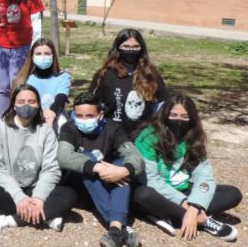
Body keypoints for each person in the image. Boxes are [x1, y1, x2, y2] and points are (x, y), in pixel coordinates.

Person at [133, 95, 241, 241]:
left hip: (183, 189)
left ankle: (170, 215)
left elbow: (204, 176)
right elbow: (151, 179)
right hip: (157, 191)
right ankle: (204, 221)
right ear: (165, 115)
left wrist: (194, 205)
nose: (178, 120)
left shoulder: (194, 137)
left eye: (184, 116)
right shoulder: (148, 137)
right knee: (142, 195)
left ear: (192, 118)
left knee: (232, 194)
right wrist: (184, 202)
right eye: (174, 115)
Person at [0, 84, 77, 232]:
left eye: (32, 101)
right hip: (9, 189)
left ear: (38, 105)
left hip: (35, 188)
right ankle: (45, 216)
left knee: (69, 195)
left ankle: (9, 220)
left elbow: (51, 168)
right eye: (21, 101)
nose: (26, 105)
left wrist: (38, 198)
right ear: (13, 105)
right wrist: (19, 196)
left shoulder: (46, 131)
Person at [57, 92, 144, 247]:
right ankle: (123, 227)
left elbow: (135, 156)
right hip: (79, 185)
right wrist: (96, 166)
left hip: (108, 183)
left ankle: (115, 229)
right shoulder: (69, 128)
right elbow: (63, 156)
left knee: (121, 163)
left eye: (89, 116)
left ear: (100, 115)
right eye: (79, 116)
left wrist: (124, 171)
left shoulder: (113, 128)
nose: (83, 120)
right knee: (88, 160)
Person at [89, 28, 167, 138]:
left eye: (135, 46)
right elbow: (92, 104)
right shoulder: (105, 75)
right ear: (118, 48)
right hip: (112, 136)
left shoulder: (152, 75)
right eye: (126, 46)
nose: (131, 50)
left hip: (143, 137)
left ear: (141, 49)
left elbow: (162, 106)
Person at [13, 38, 72, 132]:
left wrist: (52, 112)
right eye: (38, 54)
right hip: (31, 115)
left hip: (55, 114)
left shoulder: (64, 77)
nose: (43, 57)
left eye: (47, 54)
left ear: (53, 56)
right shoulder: (25, 79)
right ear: (32, 56)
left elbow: (61, 97)